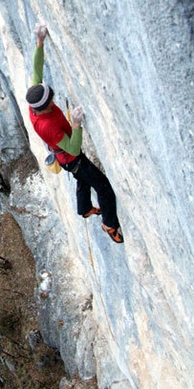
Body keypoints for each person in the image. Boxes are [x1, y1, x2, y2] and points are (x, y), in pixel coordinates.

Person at [26, 23, 123, 244]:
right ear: (45, 106)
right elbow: (73, 148)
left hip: (68, 158)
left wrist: (39, 42)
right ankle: (110, 224)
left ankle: (85, 209)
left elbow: (36, 71)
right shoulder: (47, 125)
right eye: (51, 98)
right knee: (103, 187)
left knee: (82, 180)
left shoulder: (34, 100)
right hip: (71, 158)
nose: (53, 98)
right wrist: (76, 125)